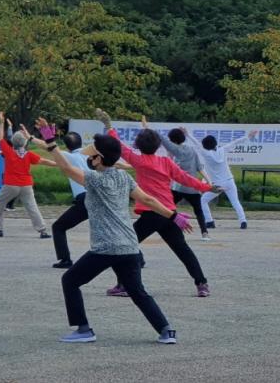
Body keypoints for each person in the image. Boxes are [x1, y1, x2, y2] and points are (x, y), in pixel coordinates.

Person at [30, 122, 184, 344]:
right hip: (130, 246)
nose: (89, 158)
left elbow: (66, 169)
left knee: (70, 280)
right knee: (137, 291)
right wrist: (173, 216)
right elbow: (148, 199)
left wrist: (51, 143)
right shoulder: (124, 177)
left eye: (92, 155)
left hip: (106, 247)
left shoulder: (94, 180)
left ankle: (84, 330)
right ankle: (166, 330)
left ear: (99, 159)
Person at [100, 110, 216, 298]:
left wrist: (109, 127)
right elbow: (186, 178)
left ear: (138, 144)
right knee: (183, 250)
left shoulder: (138, 161)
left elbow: (119, 146)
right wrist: (206, 187)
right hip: (169, 213)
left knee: (123, 245)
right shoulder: (165, 162)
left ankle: (124, 285)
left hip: (152, 213)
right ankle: (201, 284)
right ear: (158, 145)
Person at [0, 111, 53, 238]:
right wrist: (58, 164)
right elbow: (44, 161)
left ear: (13, 141)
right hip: (26, 185)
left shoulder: (8, 151)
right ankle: (43, 231)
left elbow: (0, 138)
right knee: (32, 207)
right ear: (25, 142)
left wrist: (1, 122)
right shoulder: (29, 155)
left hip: (10, 184)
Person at [188, 126, 256, 230]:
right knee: (235, 202)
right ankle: (243, 221)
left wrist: (187, 134)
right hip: (229, 181)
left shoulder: (206, 154)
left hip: (217, 185)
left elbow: (197, 144)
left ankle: (210, 222)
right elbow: (235, 142)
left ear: (205, 146)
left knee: (203, 201)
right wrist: (248, 136)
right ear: (215, 143)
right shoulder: (223, 150)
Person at [49, 125, 92, 267]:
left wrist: (31, 137)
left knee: (58, 227)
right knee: (111, 226)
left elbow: (49, 147)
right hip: (99, 196)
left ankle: (65, 259)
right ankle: (137, 257)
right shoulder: (88, 155)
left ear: (67, 146)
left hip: (84, 199)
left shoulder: (68, 156)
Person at [161, 125, 211, 241]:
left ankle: (169, 229)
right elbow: (200, 168)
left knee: (168, 207)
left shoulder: (175, 151)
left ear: (172, 141)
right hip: (192, 187)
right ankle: (204, 233)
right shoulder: (192, 150)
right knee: (199, 211)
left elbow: (169, 166)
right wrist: (209, 182)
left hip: (178, 186)